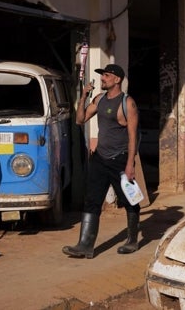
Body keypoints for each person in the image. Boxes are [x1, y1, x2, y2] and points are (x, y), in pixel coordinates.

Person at [62, 63, 141, 258]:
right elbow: (80, 120)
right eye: (102, 75)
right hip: (99, 158)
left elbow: (133, 136)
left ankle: (132, 240)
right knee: (92, 200)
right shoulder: (99, 99)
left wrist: (130, 164)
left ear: (117, 79)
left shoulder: (127, 103)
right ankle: (85, 245)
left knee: (130, 200)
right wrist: (83, 97)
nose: (102, 79)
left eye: (106, 75)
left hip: (120, 159)